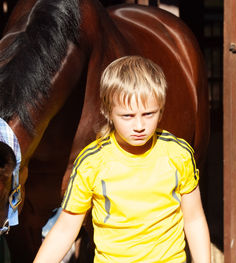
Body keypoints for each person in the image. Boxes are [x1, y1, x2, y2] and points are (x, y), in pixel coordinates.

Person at [34, 55, 211, 263]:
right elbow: (65, 228)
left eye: (148, 114)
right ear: (108, 111)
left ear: (161, 110)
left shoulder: (178, 154)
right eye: (127, 116)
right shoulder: (92, 163)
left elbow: (194, 218)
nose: (139, 126)